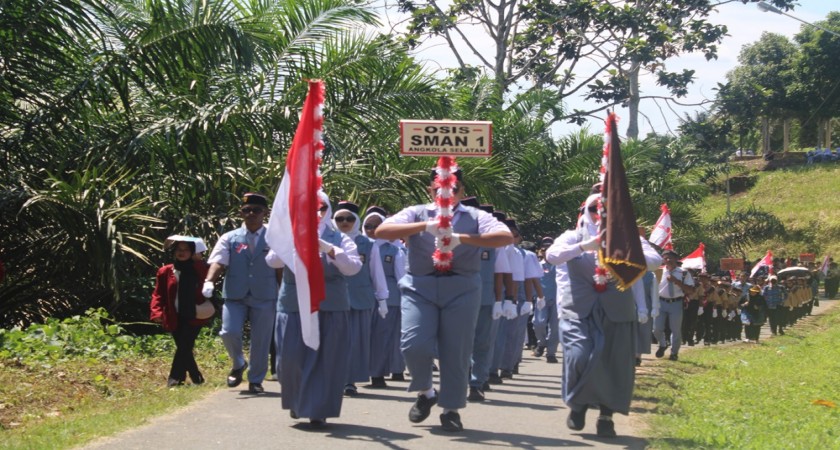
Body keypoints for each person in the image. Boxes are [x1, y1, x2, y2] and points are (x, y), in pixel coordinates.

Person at [375, 168, 512, 432]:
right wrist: (423, 227)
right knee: (413, 344)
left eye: (454, 188)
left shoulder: (476, 216)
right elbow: (382, 231)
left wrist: (462, 239)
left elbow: (504, 236)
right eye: (439, 188)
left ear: (462, 191)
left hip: (462, 287)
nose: (447, 193)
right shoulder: (416, 212)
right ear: (431, 189)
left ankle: (451, 409)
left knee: (456, 351)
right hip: (420, 286)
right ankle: (426, 392)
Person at [546, 190, 662, 438]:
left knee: (613, 363)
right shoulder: (572, 236)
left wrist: (625, 252)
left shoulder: (628, 237)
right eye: (594, 209)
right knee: (579, 356)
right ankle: (578, 404)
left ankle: (606, 417)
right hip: (579, 311)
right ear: (585, 211)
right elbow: (552, 256)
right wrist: (584, 246)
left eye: (606, 210)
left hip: (617, 310)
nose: (599, 214)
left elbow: (655, 259)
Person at [267, 191, 363, 427]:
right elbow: (272, 261)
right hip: (294, 304)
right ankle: (297, 400)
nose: (316, 213)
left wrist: (329, 249)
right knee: (289, 358)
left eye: (321, 208)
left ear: (327, 210)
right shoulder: (289, 233)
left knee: (328, 360)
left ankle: (319, 408)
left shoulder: (339, 238)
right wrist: (292, 243)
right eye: (310, 207)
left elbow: (353, 268)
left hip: (330, 305)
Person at [203, 193, 281, 394]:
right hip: (235, 294)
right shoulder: (230, 237)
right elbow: (218, 261)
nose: (251, 213)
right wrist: (209, 281)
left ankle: (255, 379)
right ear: (241, 213)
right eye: (247, 210)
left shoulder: (274, 237)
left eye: (256, 210)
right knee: (229, 331)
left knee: (261, 339)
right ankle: (238, 362)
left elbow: (280, 267)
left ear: (265, 213)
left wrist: (282, 292)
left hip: (265, 294)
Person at [332, 201, 388, 397]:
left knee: (355, 342)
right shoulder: (328, 241)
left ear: (356, 220)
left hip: (361, 299)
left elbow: (376, 272)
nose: (344, 222)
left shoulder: (368, 244)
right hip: (333, 299)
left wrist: (382, 298)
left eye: (349, 218)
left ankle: (350, 381)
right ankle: (334, 379)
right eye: (340, 218)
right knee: (334, 342)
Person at [150, 236, 213, 387]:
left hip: (195, 314)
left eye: (186, 250)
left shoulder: (200, 269)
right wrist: (156, 312)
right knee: (184, 347)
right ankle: (197, 378)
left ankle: (174, 379)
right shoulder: (165, 271)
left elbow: (208, 278)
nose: (182, 252)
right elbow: (158, 294)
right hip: (174, 315)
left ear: (192, 252)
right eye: (179, 249)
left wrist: (198, 261)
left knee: (184, 345)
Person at [366, 206, 408, 388]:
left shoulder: (394, 251)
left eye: (376, 226)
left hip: (390, 299)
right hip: (365, 298)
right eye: (368, 226)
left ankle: (379, 374)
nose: (372, 230)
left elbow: (401, 277)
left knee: (384, 337)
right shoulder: (360, 246)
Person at [653, 249, 695, 361]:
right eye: (665, 258)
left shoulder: (684, 273)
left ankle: (674, 353)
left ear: (676, 259)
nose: (668, 260)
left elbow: (690, 290)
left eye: (670, 258)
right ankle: (663, 344)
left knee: (675, 329)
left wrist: (677, 281)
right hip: (661, 302)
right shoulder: (658, 272)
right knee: (656, 328)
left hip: (676, 303)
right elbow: (653, 288)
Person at [534, 237, 560, 364]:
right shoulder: (538, 265)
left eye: (550, 248)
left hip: (557, 299)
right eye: (544, 249)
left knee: (555, 328)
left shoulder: (560, 265)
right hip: (541, 299)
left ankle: (551, 353)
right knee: (538, 323)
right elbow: (533, 282)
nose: (547, 252)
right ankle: (542, 343)